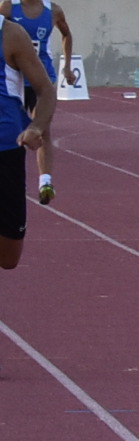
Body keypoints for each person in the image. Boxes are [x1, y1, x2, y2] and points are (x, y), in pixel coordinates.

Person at [9, 0, 71, 204]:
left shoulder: (53, 11)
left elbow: (66, 33)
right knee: (10, 129)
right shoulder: (8, 8)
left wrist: (67, 66)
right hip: (15, 79)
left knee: (42, 128)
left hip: (41, 79)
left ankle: (45, 182)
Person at [0, 14, 53, 269]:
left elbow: (46, 91)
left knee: (9, 257)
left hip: (5, 148)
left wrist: (36, 126)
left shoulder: (11, 34)